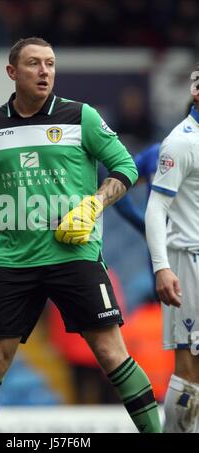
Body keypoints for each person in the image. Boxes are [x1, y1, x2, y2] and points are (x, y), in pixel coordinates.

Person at [0, 36, 162, 433]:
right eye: (33, 63)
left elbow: (125, 169)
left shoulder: (82, 117)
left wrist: (94, 204)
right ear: (12, 72)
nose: (44, 71)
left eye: (50, 63)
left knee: (110, 352)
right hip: (13, 260)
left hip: (75, 255)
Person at [145, 65, 199, 433]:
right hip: (190, 262)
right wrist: (161, 267)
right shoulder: (181, 141)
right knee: (190, 369)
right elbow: (155, 206)